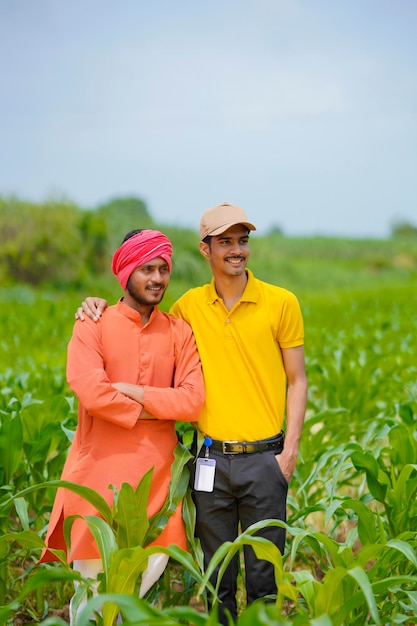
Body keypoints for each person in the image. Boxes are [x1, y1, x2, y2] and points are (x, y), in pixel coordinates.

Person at [77, 203, 307, 625]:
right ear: (206, 250)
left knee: (263, 575)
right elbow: (140, 320)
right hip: (211, 462)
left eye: (242, 241)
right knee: (216, 574)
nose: (236, 250)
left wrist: (288, 454)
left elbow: (298, 381)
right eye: (225, 242)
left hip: (265, 459)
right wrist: (95, 304)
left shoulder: (281, 303)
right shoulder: (187, 308)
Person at [40, 229, 205, 624]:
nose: (158, 278)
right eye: (147, 268)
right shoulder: (92, 324)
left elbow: (193, 400)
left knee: (141, 584)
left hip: (159, 485)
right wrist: (158, 404)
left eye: (164, 268)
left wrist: (135, 393)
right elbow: (90, 392)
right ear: (126, 270)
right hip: (98, 481)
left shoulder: (179, 331)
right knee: (94, 599)